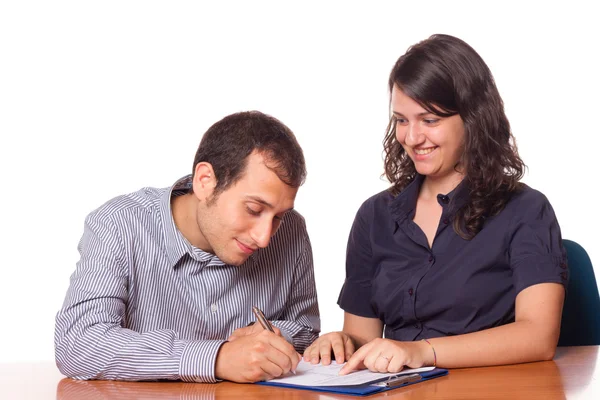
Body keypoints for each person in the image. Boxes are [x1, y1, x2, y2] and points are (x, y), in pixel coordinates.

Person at [303, 34, 567, 374]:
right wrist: (340, 343)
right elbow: (364, 340)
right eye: (401, 120)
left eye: (430, 120)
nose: (412, 138)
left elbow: (539, 337)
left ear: (473, 119)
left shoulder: (525, 210)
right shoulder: (374, 217)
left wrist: (421, 352)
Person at [55, 111, 320, 383]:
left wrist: (268, 338)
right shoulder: (119, 225)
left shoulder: (292, 231)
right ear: (205, 181)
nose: (265, 238)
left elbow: (306, 331)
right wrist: (217, 358)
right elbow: (78, 343)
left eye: (278, 216)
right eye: (253, 209)